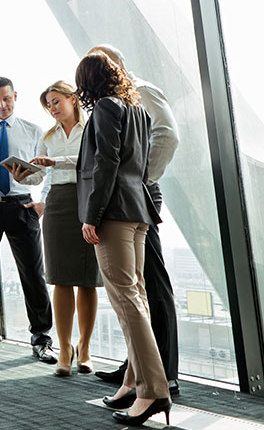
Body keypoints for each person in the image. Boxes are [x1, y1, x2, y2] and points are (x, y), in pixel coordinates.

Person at [75, 52, 171, 426]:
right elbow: (140, 165)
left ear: (87, 82)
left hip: (113, 213)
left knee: (126, 299)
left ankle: (152, 391)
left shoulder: (103, 108)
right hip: (138, 211)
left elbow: (106, 164)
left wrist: (91, 215)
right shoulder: (137, 110)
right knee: (138, 296)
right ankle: (132, 383)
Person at [0, 76, 57, 365]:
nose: (1, 105)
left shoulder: (33, 131)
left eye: (6, 99)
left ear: (15, 96)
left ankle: (41, 338)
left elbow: (47, 169)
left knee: (33, 274)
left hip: (21, 205)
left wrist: (42, 201)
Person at [8, 81, 100, 376]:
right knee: (60, 278)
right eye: (48, 104)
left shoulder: (91, 130)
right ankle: (64, 348)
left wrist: (55, 161)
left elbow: (94, 163)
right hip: (58, 203)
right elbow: (41, 177)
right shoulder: (47, 136)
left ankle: (84, 347)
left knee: (87, 279)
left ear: (73, 99)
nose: (52, 108)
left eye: (56, 101)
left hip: (87, 200)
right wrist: (24, 177)